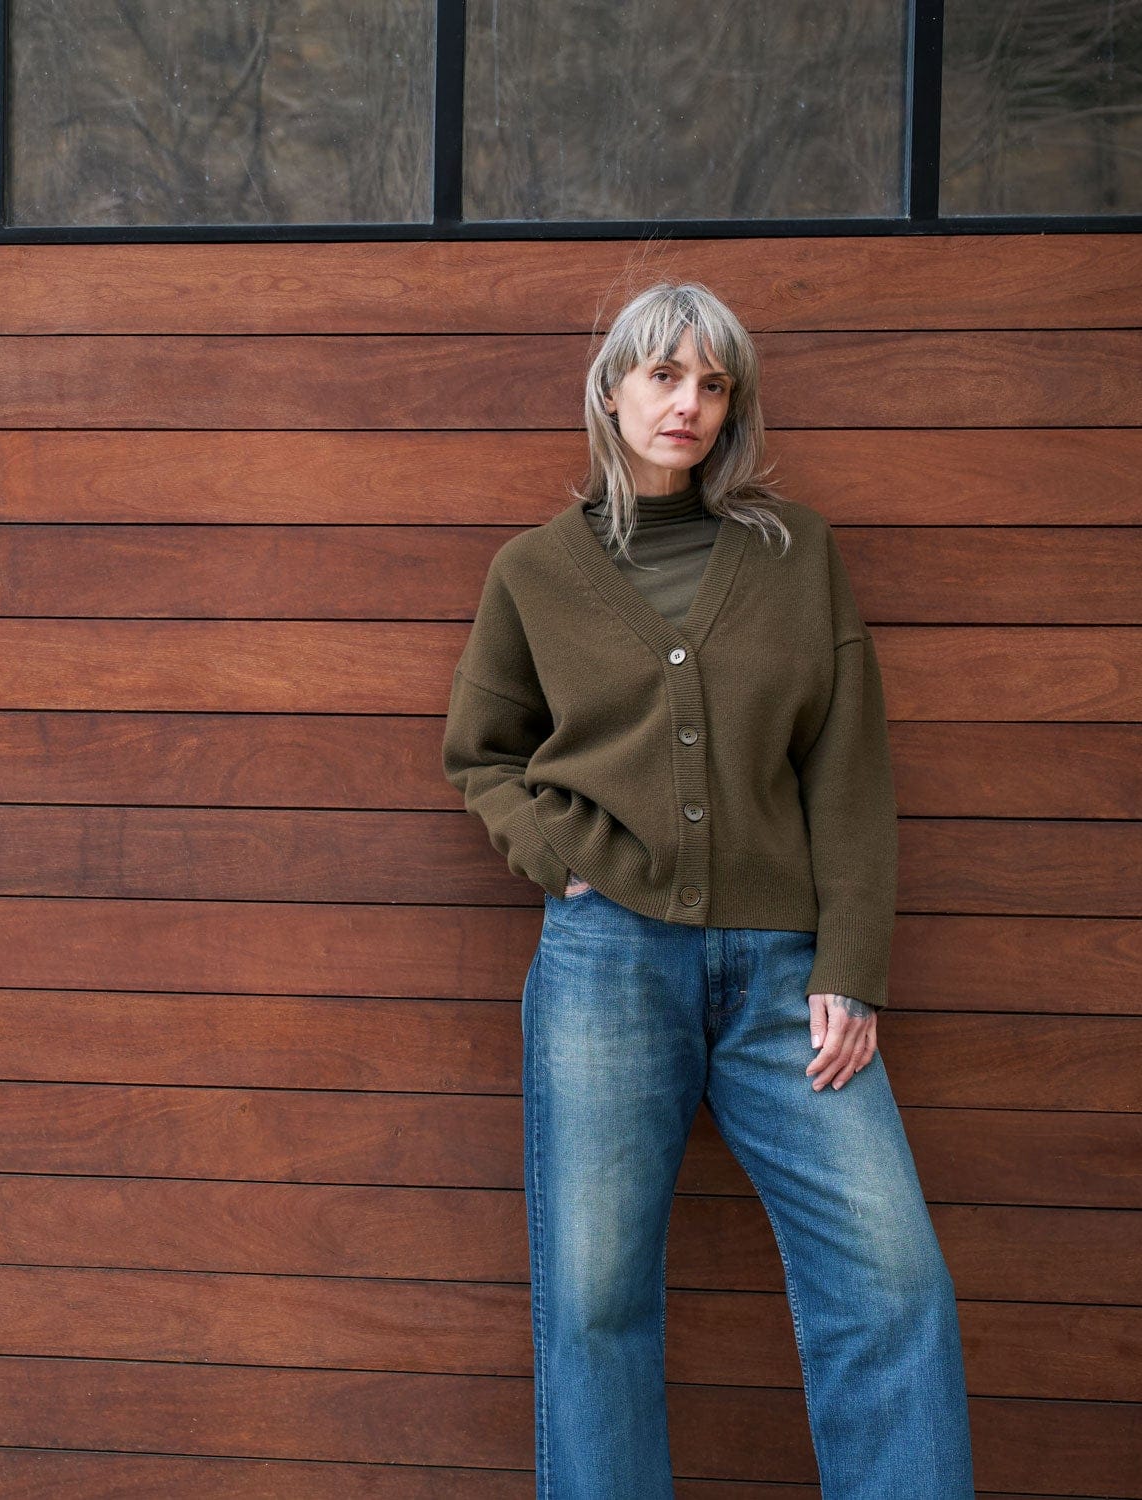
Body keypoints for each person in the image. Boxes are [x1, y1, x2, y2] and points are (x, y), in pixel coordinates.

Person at [442, 281, 975, 1495]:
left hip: (787, 976)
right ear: (612, 391)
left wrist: (852, 964)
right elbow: (480, 753)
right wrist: (557, 861)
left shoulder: (796, 556)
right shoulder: (533, 571)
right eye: (664, 376)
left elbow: (847, 765)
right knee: (595, 1296)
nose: (687, 404)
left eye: (713, 383)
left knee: (891, 1279)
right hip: (606, 962)